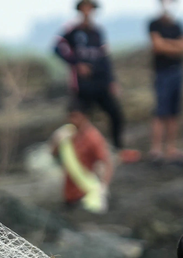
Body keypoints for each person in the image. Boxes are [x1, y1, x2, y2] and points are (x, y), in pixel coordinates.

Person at [55, 0, 133, 160]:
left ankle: (117, 149)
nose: (87, 11)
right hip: (82, 85)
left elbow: (105, 57)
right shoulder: (72, 30)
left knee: (115, 114)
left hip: (100, 83)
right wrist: (76, 64)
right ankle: (73, 153)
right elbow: (57, 47)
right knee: (78, 118)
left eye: (90, 7)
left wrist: (111, 81)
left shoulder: (97, 31)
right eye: (85, 7)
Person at [148, 0, 183, 162]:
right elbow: (158, 46)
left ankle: (171, 148)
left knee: (174, 112)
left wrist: (167, 45)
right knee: (160, 111)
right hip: (162, 73)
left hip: (177, 72)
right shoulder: (154, 24)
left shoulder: (178, 25)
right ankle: (156, 149)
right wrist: (176, 47)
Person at [51, 99, 113, 208]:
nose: (72, 120)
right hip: (69, 193)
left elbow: (107, 162)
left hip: (86, 193)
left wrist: (103, 187)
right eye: (70, 116)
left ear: (85, 116)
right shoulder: (67, 134)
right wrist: (57, 142)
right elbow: (54, 155)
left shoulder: (93, 138)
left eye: (75, 116)